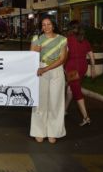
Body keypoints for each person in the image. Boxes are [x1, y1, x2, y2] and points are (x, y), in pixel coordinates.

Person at [30, 16, 68, 144]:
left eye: (49, 24)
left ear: (54, 25)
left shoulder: (62, 39)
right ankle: (38, 131)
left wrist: (45, 69)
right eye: (43, 24)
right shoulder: (37, 38)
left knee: (55, 101)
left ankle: (54, 132)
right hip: (40, 69)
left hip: (55, 71)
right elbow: (30, 55)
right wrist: (36, 50)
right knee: (40, 101)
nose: (46, 27)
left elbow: (62, 59)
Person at [64, 20, 95, 126]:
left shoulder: (67, 40)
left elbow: (63, 56)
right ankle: (64, 110)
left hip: (72, 68)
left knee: (76, 91)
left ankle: (86, 117)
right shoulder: (84, 40)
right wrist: (93, 69)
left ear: (70, 28)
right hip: (83, 67)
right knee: (70, 89)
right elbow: (91, 55)